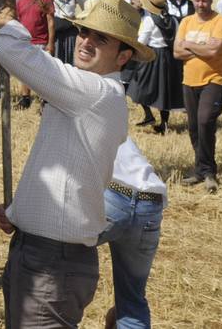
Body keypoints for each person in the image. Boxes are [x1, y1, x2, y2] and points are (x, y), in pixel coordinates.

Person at [0, 0, 152, 329]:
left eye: (101, 38)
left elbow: (13, 51)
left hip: (53, 263)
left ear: (124, 56)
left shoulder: (96, 93)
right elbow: (63, 166)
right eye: (83, 31)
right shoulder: (89, 91)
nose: (85, 41)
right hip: (39, 252)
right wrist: (21, 212)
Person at [96, 138, 166, 329]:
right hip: (151, 204)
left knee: (50, 248)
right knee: (132, 301)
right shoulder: (120, 127)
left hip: (112, 194)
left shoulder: (67, 116)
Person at [174, 0, 222, 192]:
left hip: (213, 80)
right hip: (189, 80)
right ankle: (200, 170)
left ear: (211, 0)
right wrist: (201, 49)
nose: (200, 4)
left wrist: (188, 45)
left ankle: (209, 172)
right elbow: (176, 53)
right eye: (197, 0)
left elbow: (214, 51)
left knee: (205, 120)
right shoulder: (186, 21)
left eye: (204, 0)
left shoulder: (221, 22)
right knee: (193, 127)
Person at [127, 0, 184, 135]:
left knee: (138, 85)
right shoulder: (174, 20)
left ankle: (149, 115)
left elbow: (142, 42)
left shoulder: (149, 20)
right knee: (165, 91)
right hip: (170, 58)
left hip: (152, 56)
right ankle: (164, 123)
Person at [13, 0, 55, 108]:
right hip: (25, 42)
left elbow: (50, 22)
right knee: (25, 72)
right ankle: (25, 99)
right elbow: (18, 22)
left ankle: (44, 100)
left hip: (41, 42)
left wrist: (50, 44)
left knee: (42, 73)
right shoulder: (21, 1)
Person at [52, 0, 86, 65]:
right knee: (57, 53)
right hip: (57, 28)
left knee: (70, 52)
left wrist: (78, 19)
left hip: (70, 28)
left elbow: (86, 8)